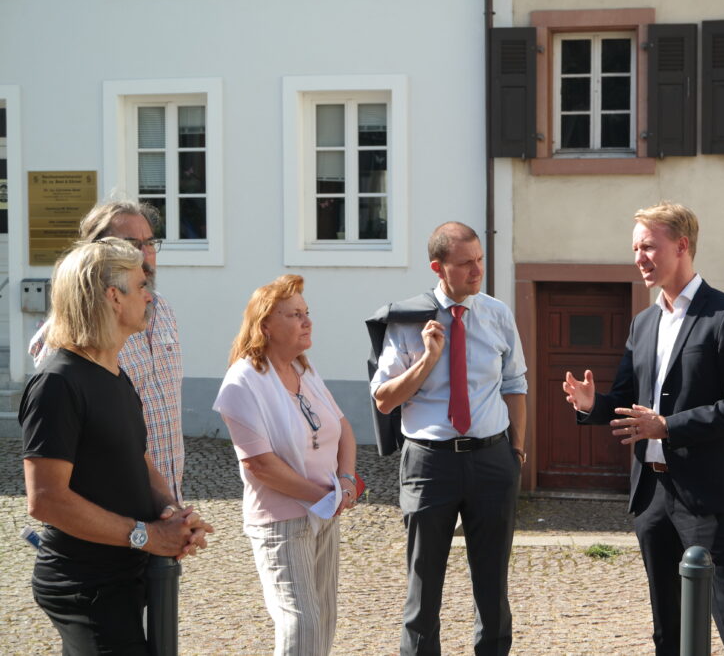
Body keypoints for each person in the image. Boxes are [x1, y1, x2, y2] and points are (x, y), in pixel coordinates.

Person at [563, 202, 724, 656]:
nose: (639, 257)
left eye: (649, 247)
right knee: (667, 626)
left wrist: (667, 426)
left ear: (682, 246)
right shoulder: (643, 322)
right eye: (635, 248)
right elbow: (626, 402)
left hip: (707, 496)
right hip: (652, 496)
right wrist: (593, 405)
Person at [20, 238, 211, 655]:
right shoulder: (58, 382)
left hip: (126, 575)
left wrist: (171, 514)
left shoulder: (116, 374)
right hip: (85, 586)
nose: (149, 295)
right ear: (113, 297)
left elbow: (138, 460)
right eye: (141, 286)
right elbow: (46, 500)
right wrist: (146, 535)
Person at [370, 222, 527, 656]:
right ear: (438, 268)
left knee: (493, 584)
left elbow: (515, 384)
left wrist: (516, 453)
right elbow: (384, 400)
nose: (477, 271)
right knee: (423, 587)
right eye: (465, 264)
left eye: (480, 260)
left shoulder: (497, 313)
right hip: (429, 464)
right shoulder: (407, 321)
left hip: (493, 459)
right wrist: (426, 362)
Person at [213, 274, 358, 656]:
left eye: (307, 312)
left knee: (324, 617)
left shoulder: (303, 370)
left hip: (325, 511)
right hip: (281, 521)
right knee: (301, 621)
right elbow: (260, 465)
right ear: (265, 326)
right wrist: (325, 497)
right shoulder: (243, 382)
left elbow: (343, 429)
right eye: (294, 315)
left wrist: (343, 482)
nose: (307, 321)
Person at [30, 199, 184, 504]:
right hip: (106, 509)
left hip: (164, 498)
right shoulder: (69, 335)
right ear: (98, 251)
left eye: (149, 242)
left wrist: (170, 506)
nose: (144, 254)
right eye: (130, 244)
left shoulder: (161, 308)